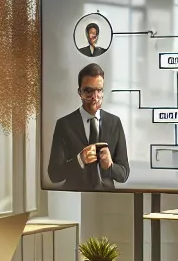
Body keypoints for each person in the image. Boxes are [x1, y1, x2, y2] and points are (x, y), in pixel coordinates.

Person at [46, 62, 130, 191]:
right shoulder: (64, 125)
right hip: (74, 196)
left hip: (107, 198)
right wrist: (79, 160)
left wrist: (110, 166)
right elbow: (54, 175)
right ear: (80, 92)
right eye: (88, 91)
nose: (95, 97)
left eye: (99, 90)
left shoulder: (114, 123)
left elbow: (124, 175)